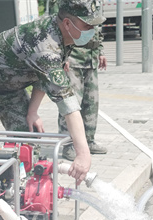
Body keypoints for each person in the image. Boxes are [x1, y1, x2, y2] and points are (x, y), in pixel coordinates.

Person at [0, 0, 105, 184]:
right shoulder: (46, 43)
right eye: (87, 25)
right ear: (68, 23)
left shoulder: (64, 34)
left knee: (28, 142)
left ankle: (25, 195)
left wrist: (32, 111)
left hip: (10, 88)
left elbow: (43, 75)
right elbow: (67, 104)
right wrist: (83, 154)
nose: (92, 30)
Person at [50, 0, 107, 161]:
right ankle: (68, 145)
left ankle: (89, 140)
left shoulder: (93, 3)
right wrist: (62, 56)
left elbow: (96, 29)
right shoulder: (66, 3)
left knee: (91, 103)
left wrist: (100, 51)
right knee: (71, 103)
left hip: (91, 59)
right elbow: (58, 28)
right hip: (73, 59)